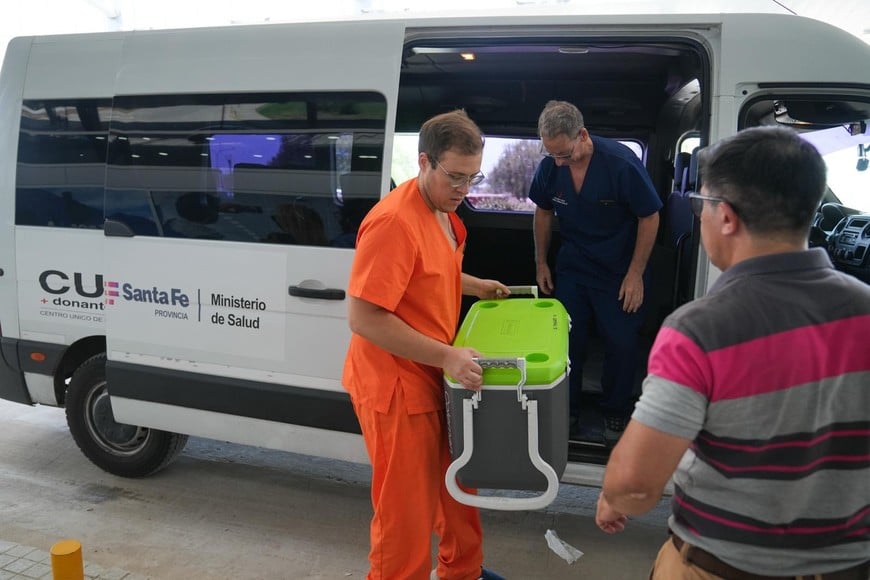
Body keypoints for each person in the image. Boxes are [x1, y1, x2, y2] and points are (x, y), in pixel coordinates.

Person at [595, 126, 870, 579]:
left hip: (724, 566)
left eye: (700, 204)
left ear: (725, 216)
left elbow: (634, 485)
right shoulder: (862, 308)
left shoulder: (700, 330)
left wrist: (613, 498)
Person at [342, 109, 509, 580]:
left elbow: (429, 272)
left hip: (435, 376)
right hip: (396, 388)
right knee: (406, 516)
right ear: (424, 161)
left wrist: (475, 285)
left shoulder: (442, 211)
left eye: (473, 177)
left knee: (459, 490)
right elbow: (365, 317)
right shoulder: (394, 222)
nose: (464, 188)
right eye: (455, 176)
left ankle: (462, 572)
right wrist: (448, 355)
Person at [528, 100, 661, 443]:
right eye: (551, 154)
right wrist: (541, 261)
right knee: (567, 342)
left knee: (621, 344)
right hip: (574, 267)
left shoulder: (621, 163)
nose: (558, 161)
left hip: (619, 270)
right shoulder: (550, 166)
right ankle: (566, 410)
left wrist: (635, 274)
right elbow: (543, 212)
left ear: (582, 135)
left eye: (564, 153)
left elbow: (650, 216)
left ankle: (615, 412)